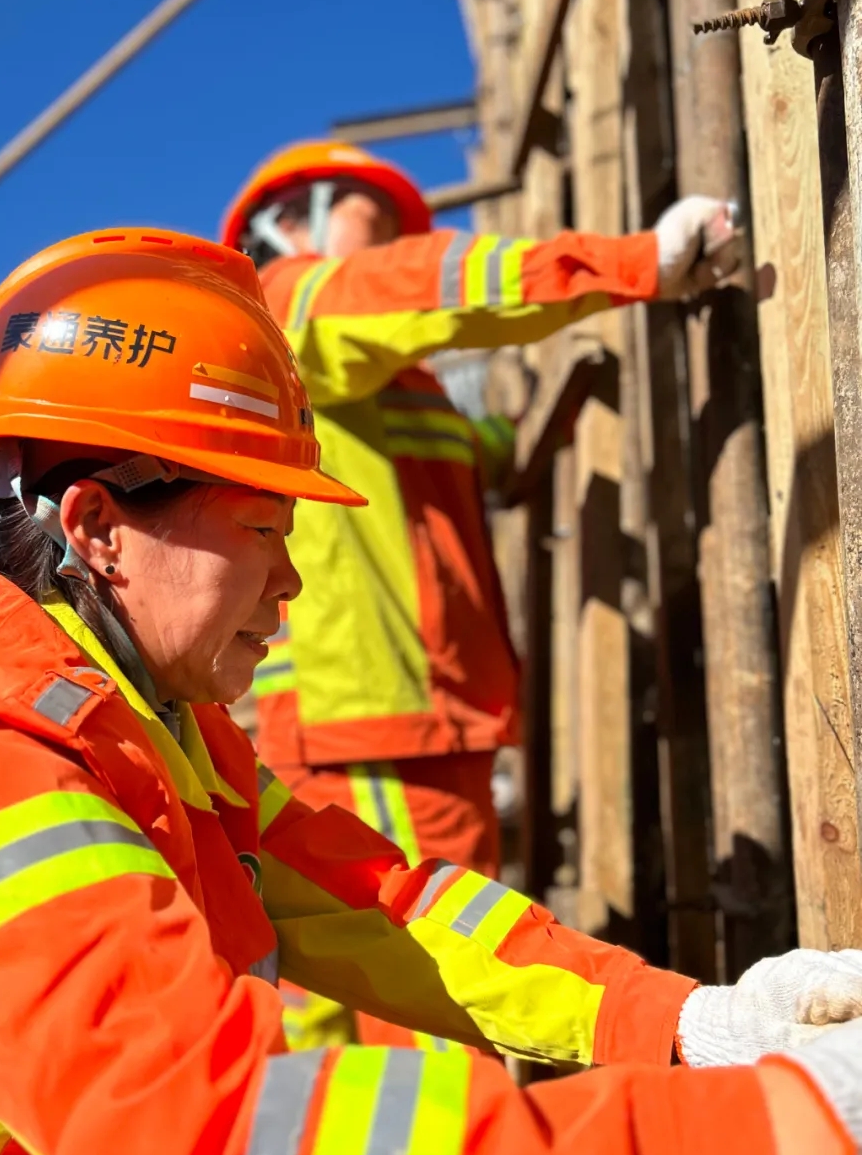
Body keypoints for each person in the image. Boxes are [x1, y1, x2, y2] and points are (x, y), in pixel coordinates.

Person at [0, 227, 861, 1155]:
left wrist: (687, 1020)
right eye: (261, 527)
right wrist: (793, 1129)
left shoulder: (161, 735)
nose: (291, 579)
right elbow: (227, 1149)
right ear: (100, 529)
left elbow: (385, 904)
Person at [220, 139, 740, 1049]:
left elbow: (453, 464)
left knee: (342, 1014)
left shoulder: (367, 380)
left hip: (394, 720)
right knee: (441, 1007)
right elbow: (417, 285)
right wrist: (630, 263)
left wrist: (516, 436)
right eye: (372, 221)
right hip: (379, 724)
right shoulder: (287, 300)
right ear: (290, 221)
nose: (392, 243)